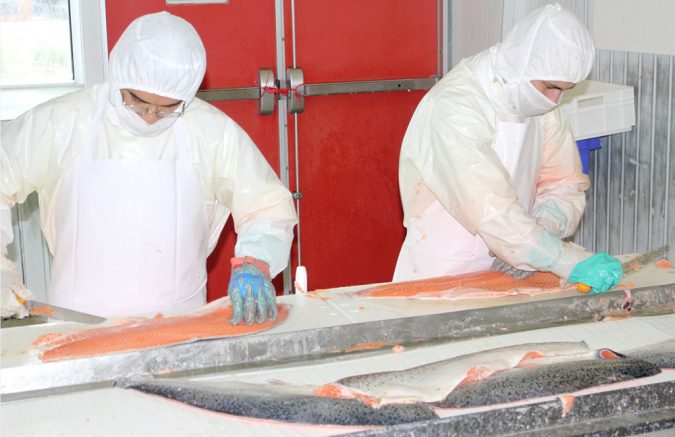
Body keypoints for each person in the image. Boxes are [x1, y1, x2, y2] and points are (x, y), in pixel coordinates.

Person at [0, 12, 297, 324]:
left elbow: (267, 206)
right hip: (76, 322)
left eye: (167, 108)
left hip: (179, 323)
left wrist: (255, 259)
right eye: (138, 104)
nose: (151, 117)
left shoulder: (210, 132)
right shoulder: (64, 122)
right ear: (117, 79)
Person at [393, 4, 622, 293]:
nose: (555, 99)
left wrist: (544, 230)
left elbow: (564, 182)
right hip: (443, 273)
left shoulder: (542, 104)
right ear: (522, 65)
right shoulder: (455, 107)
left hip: (514, 271)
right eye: (551, 86)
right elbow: (493, 213)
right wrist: (564, 259)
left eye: (565, 89)